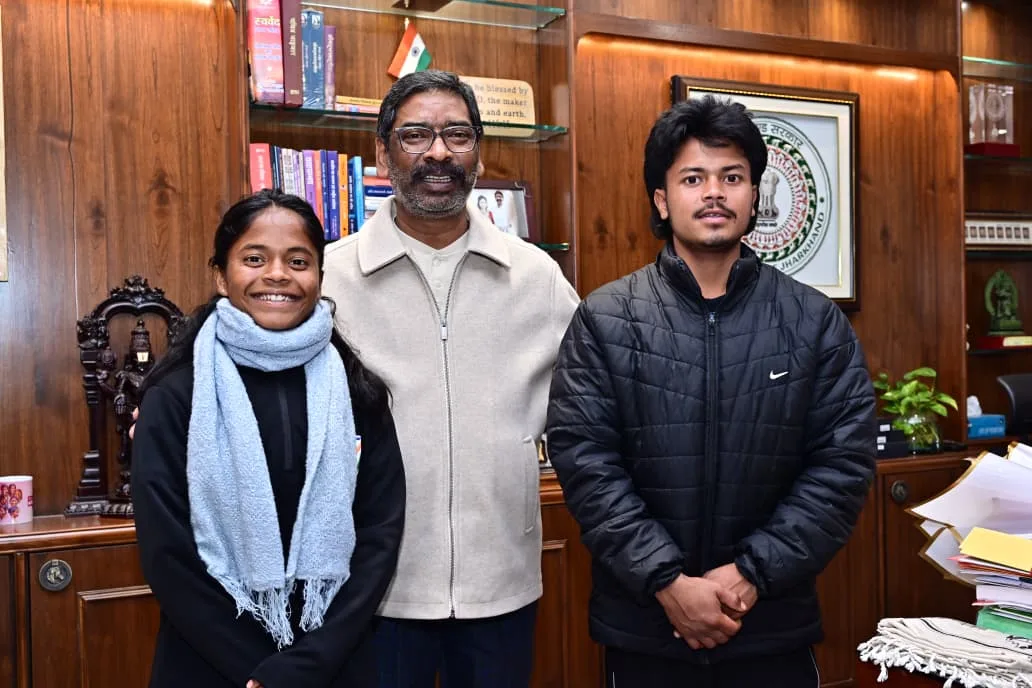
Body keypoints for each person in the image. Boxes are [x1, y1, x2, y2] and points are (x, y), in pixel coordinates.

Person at [545, 96, 877, 687]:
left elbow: (841, 466)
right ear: (661, 199)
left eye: (732, 177)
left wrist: (750, 573)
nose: (714, 193)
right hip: (646, 628)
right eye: (693, 178)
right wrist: (668, 583)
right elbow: (588, 465)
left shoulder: (814, 321)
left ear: (754, 196)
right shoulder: (605, 319)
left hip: (770, 625)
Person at [321, 69, 579, 688]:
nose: (438, 152)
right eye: (415, 135)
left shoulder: (535, 276)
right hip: (372, 589)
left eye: (457, 135)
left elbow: (598, 398)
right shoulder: (330, 278)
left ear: (479, 152)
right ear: (382, 154)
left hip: (503, 582)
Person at [131, 189, 405, 688]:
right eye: (254, 258)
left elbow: (380, 535)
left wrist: (307, 665)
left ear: (319, 275)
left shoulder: (357, 391)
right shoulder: (175, 395)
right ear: (221, 274)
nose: (277, 274)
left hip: (333, 662)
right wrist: (264, 674)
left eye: (298, 260)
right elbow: (168, 554)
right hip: (209, 664)